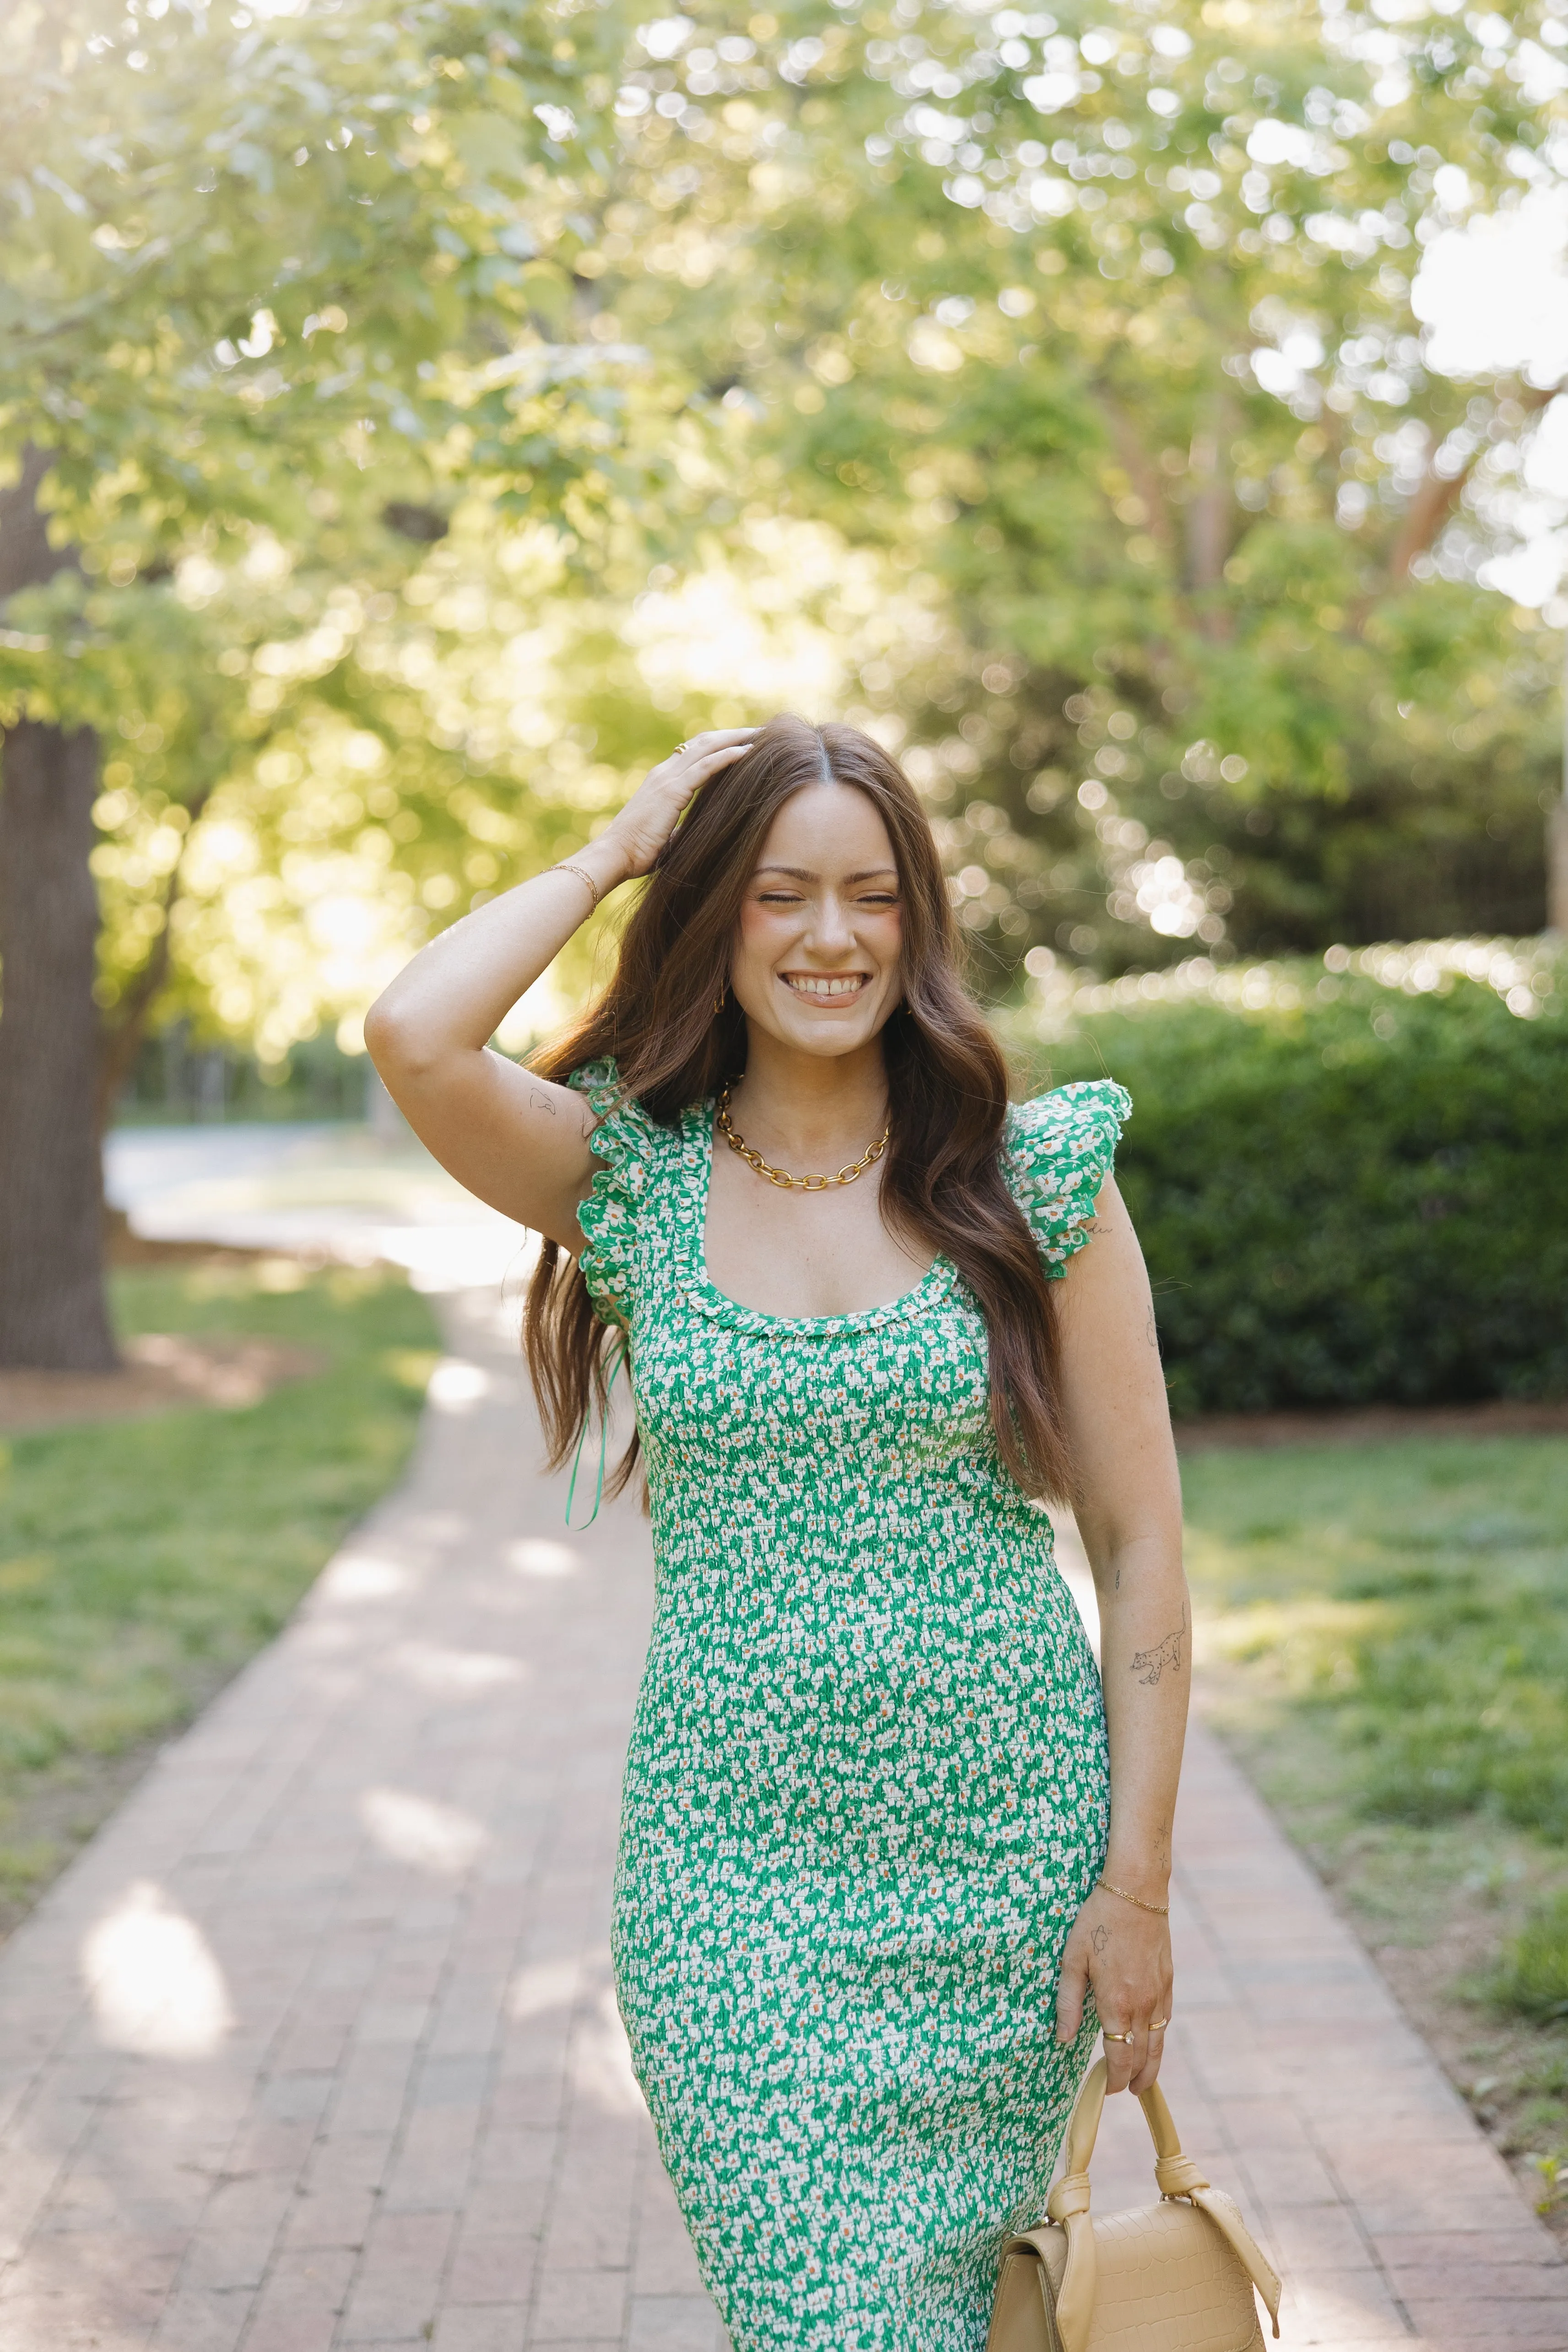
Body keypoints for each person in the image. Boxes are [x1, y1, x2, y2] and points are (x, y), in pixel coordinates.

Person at [365, 714, 1189, 2352]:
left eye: (873, 898)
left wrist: (1139, 1886)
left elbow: (1142, 1540)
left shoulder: (1037, 1180)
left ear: (921, 919)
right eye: (779, 895)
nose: (830, 938)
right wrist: (613, 848)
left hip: (1006, 1882)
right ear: (716, 914)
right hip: (732, 1894)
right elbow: (414, 1035)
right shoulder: (629, 1177)